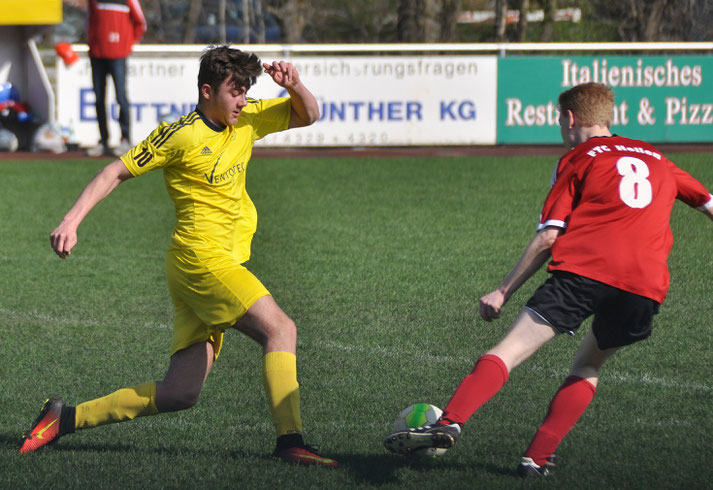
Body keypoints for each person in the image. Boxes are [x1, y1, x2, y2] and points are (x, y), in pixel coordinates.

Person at [19, 45, 338, 467]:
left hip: (208, 265)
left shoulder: (248, 119)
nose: (242, 100)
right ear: (207, 91)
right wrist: (71, 221)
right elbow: (115, 170)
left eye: (245, 91)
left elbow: (310, 114)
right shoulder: (180, 134)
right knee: (281, 330)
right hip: (202, 261)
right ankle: (291, 442)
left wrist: (294, 85)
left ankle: (64, 418)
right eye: (234, 91)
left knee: (180, 393)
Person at [384, 82, 713, 476]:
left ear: (570, 118)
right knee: (588, 367)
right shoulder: (658, 159)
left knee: (508, 351)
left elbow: (550, 236)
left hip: (584, 272)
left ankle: (450, 420)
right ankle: (535, 459)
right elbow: (708, 201)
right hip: (644, 286)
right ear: (609, 117)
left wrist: (502, 291)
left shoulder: (579, 157)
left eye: (561, 120)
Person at [86, 0, 146, 158]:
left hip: (118, 56)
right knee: (99, 99)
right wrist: (92, 44)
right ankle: (103, 141)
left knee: (121, 97)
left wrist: (127, 44)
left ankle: (125, 139)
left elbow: (140, 23)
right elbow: (90, 22)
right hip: (97, 55)